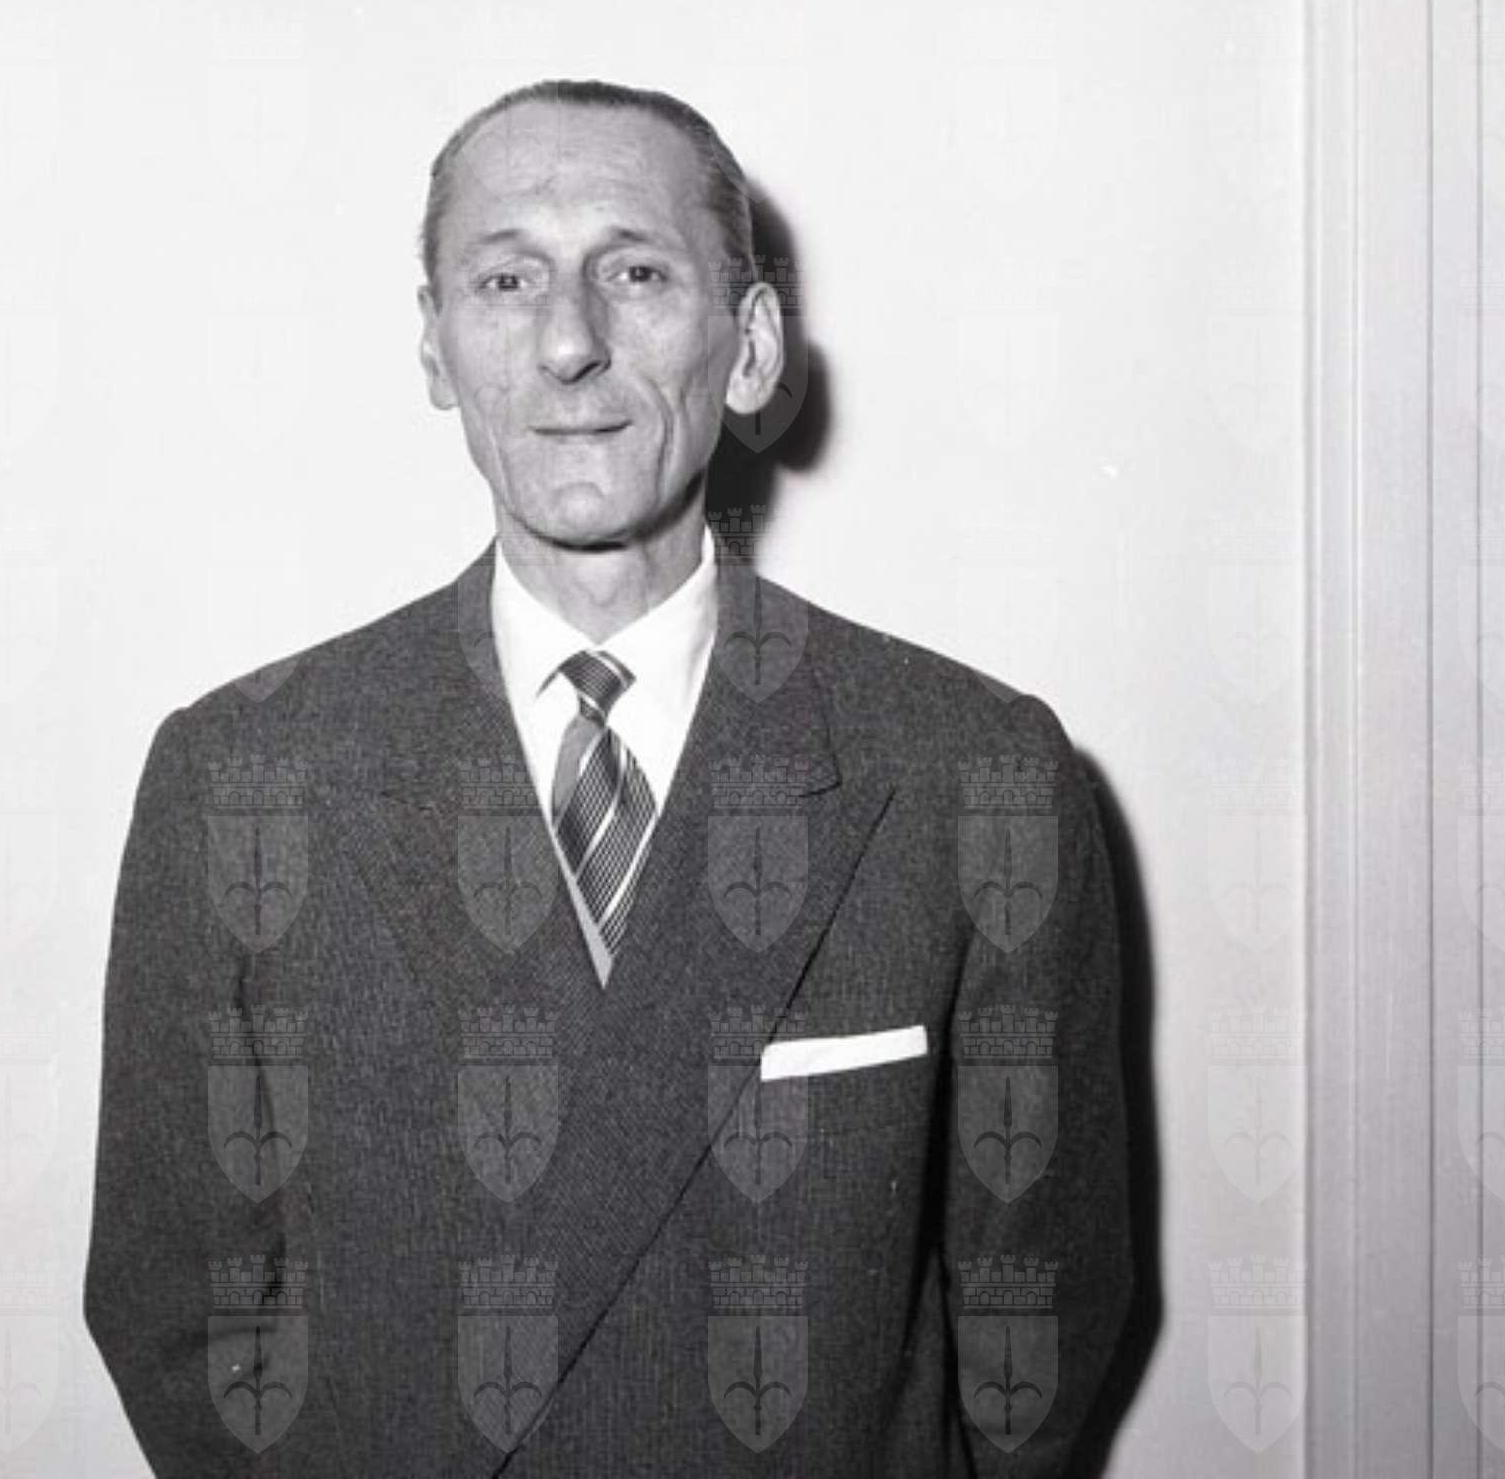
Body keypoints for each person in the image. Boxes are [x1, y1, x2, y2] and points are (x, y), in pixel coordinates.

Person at [83, 79, 1133, 1475]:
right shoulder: (243, 781)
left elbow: (1031, 1336)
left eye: (635, 274)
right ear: (436, 347)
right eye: (506, 279)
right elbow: (179, 1315)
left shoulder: (973, 777)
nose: (569, 342)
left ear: (749, 347)